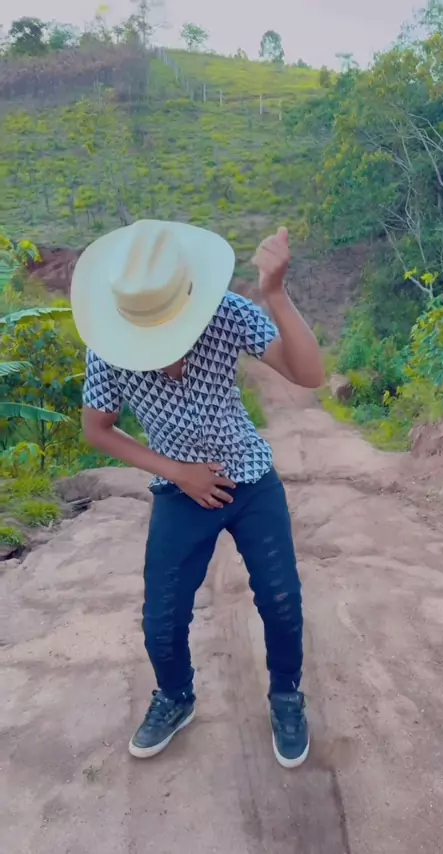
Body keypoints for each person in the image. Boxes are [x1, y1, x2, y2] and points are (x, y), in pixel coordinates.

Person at [71, 219, 324, 769]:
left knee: (281, 600)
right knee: (162, 619)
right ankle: (176, 696)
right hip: (179, 489)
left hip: (250, 478)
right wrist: (178, 472)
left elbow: (309, 374)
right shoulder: (109, 345)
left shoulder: (226, 313)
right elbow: (97, 428)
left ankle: (286, 695)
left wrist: (275, 293)